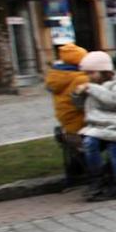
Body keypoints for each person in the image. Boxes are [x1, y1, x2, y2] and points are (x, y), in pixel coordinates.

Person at [72, 51, 116, 201]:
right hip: (100, 127)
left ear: (104, 71)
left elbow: (115, 100)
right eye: (87, 73)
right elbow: (81, 106)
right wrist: (77, 95)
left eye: (92, 72)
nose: (89, 76)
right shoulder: (93, 86)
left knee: (115, 150)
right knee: (89, 143)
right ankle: (96, 179)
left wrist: (91, 88)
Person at [44, 42, 91, 188]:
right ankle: (96, 174)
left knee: (75, 144)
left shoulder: (56, 75)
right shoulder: (80, 78)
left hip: (66, 120)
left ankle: (80, 171)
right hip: (81, 121)